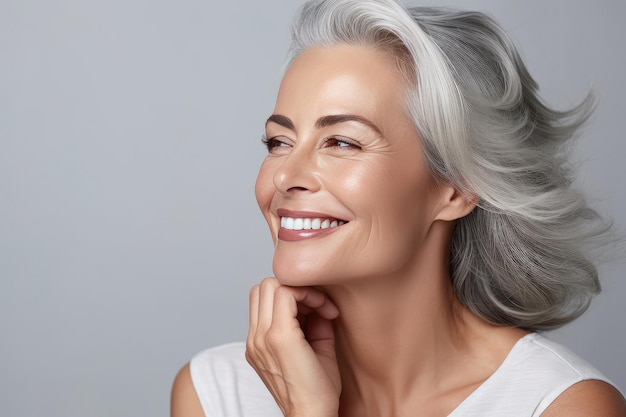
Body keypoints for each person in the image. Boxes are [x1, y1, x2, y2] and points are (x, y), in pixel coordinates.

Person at [171, 0, 626, 415]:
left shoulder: (560, 406)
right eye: (279, 141)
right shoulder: (214, 395)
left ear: (456, 189)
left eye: (341, 142)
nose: (285, 176)